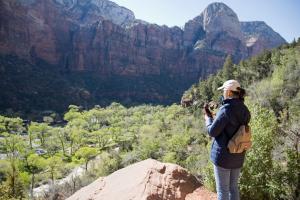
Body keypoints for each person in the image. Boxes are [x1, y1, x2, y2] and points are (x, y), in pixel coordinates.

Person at [204, 80, 251, 200]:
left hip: (223, 157)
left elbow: (212, 132)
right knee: (233, 188)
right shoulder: (245, 109)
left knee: (223, 190)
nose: (223, 93)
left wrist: (208, 119)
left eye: (224, 91)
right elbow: (233, 126)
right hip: (238, 155)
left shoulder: (225, 109)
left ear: (229, 92)